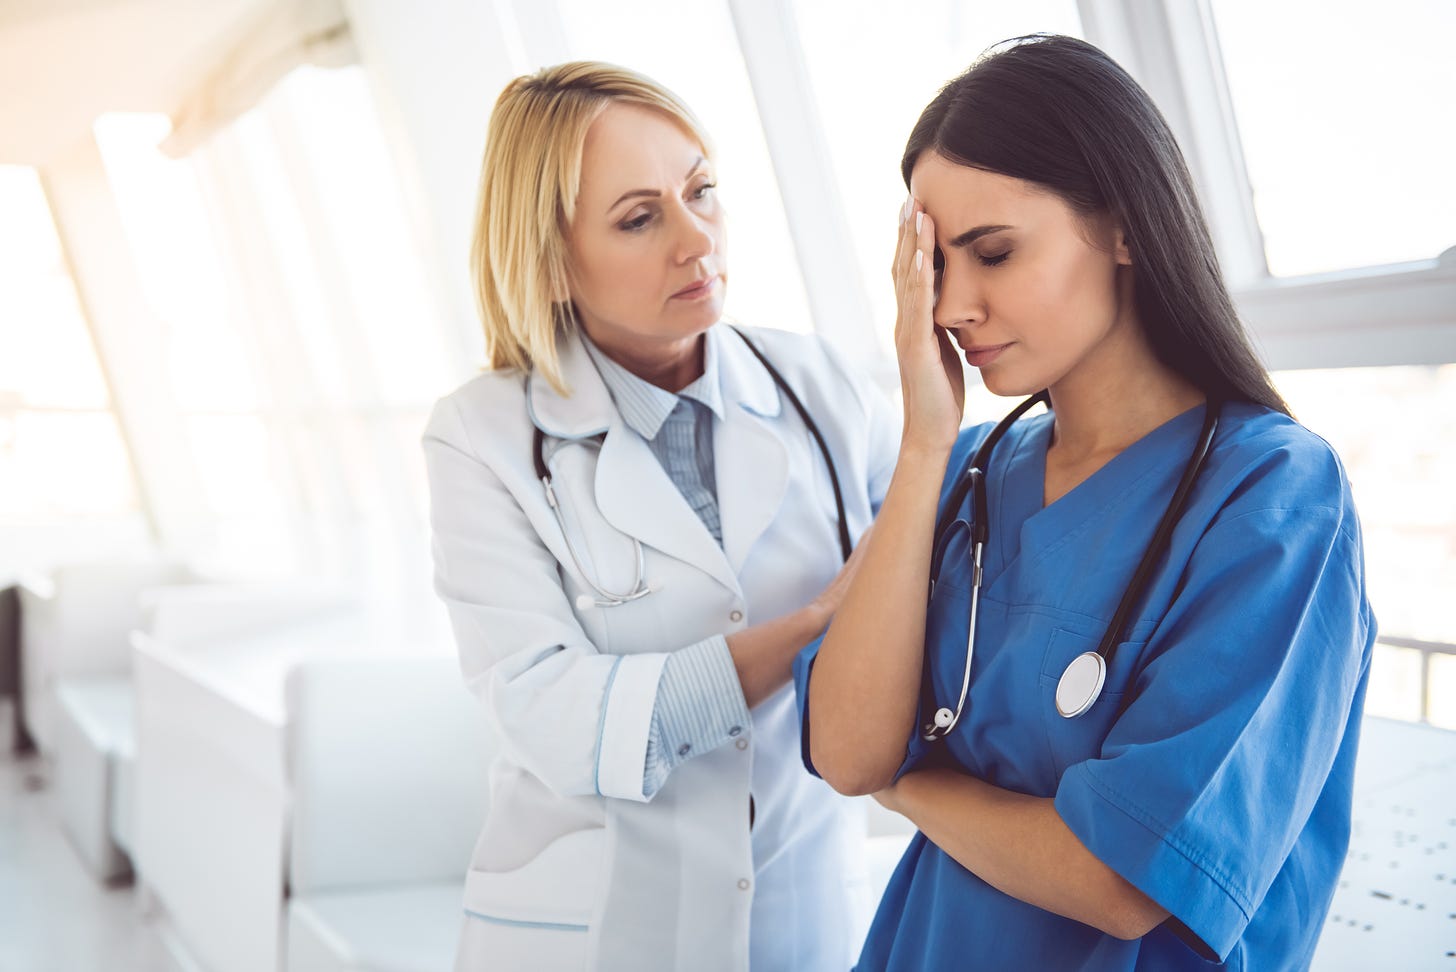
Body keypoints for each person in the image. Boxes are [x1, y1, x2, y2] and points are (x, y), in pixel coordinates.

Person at [795, 34, 1375, 971]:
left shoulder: (1275, 497)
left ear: (1124, 226)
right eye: (935, 266)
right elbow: (850, 751)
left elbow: (1126, 880)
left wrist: (915, 791)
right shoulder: (966, 475)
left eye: (993, 252)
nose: (952, 307)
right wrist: (923, 443)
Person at [423, 61, 898, 971]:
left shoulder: (819, 386)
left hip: (803, 920)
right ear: (553, 260)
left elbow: (938, 563)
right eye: (640, 218)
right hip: (597, 932)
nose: (697, 241)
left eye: (702, 191)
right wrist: (815, 629)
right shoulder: (481, 440)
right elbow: (553, 717)